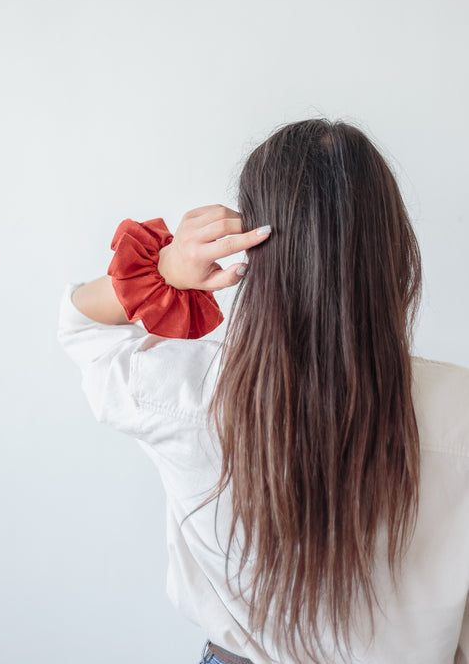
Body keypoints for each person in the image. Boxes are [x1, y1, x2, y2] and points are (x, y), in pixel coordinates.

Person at [57, 118, 469, 664]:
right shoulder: (460, 407)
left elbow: (81, 325)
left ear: (257, 250)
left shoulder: (187, 391)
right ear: (395, 249)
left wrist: (163, 269)